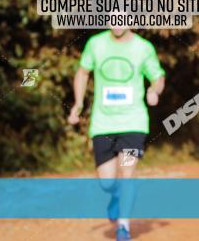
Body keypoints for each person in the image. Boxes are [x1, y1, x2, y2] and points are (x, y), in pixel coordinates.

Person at [68, 27, 165, 241]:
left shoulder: (143, 47)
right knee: (107, 182)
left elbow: (158, 77)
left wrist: (153, 90)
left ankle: (123, 226)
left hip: (133, 123)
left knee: (127, 174)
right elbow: (83, 72)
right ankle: (115, 195)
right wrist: (78, 102)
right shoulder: (95, 44)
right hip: (103, 124)